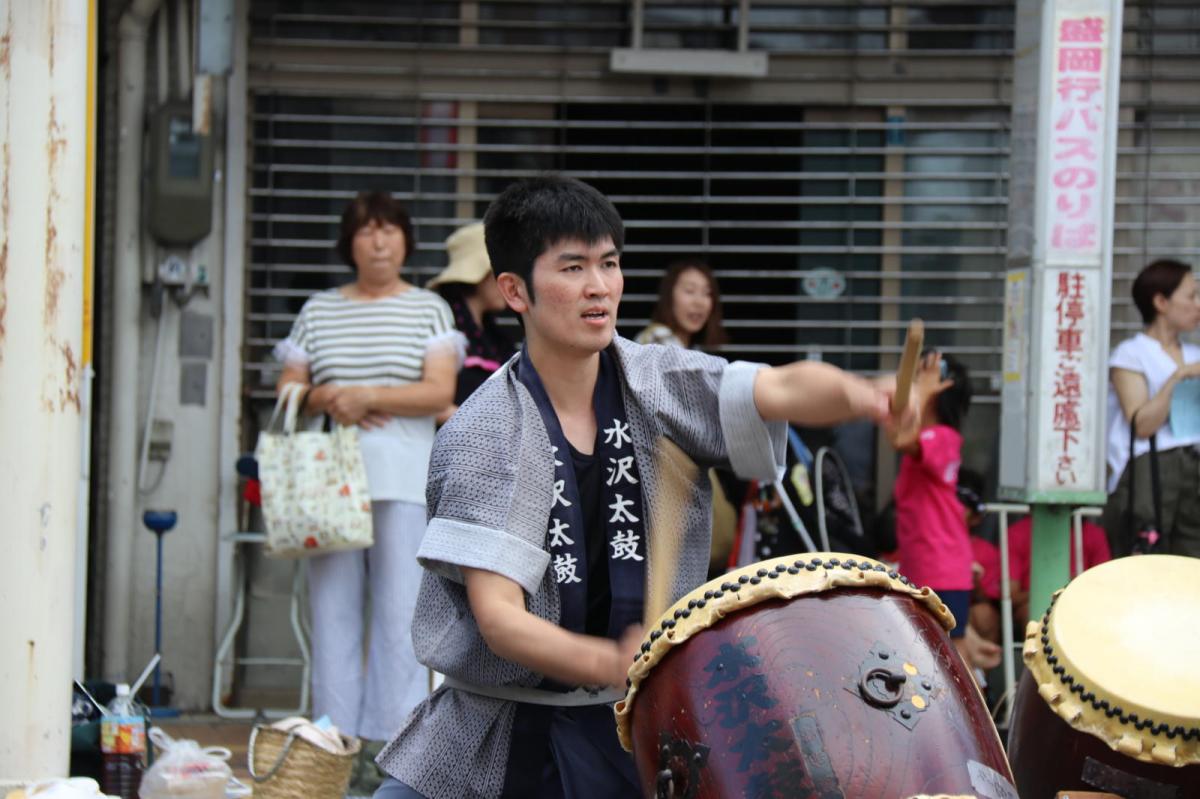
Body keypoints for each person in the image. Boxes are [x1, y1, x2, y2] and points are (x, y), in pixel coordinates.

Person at [372, 175, 908, 799]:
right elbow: (500, 622)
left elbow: (780, 388)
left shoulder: (658, 382)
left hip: (641, 725)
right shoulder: (485, 431)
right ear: (514, 290)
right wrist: (610, 660)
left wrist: (865, 396)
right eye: (572, 268)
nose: (599, 287)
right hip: (498, 733)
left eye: (609, 264)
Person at [273, 191, 459, 779]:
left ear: (406, 239)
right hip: (329, 481)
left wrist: (366, 395)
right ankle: (332, 747)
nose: (378, 241)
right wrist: (326, 397)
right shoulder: (318, 309)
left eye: (389, 229)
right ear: (348, 242)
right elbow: (287, 390)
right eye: (365, 230)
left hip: (404, 475)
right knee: (331, 613)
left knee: (402, 612)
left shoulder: (429, 308)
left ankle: (392, 753)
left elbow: (438, 393)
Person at [888, 352, 1001, 673]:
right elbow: (898, 429)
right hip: (931, 566)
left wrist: (922, 388)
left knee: (951, 663)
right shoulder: (932, 437)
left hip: (940, 568)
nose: (913, 383)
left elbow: (900, 438)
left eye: (923, 376)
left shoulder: (941, 437)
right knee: (936, 660)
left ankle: (976, 721)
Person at [1101, 258, 1200, 557]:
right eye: (1191, 295)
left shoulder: (1194, 353)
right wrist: (1178, 378)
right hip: (1150, 470)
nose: (1198, 304)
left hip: (1193, 470)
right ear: (1160, 301)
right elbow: (1141, 424)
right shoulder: (1130, 354)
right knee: (1146, 560)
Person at [428, 222, 516, 415]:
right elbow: (430, 403)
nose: (508, 282)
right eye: (499, 272)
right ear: (478, 275)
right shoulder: (443, 325)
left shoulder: (493, 336)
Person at [634, 258, 728, 349]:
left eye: (707, 293)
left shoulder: (686, 347)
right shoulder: (658, 339)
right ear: (669, 295)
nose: (699, 302)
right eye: (690, 291)